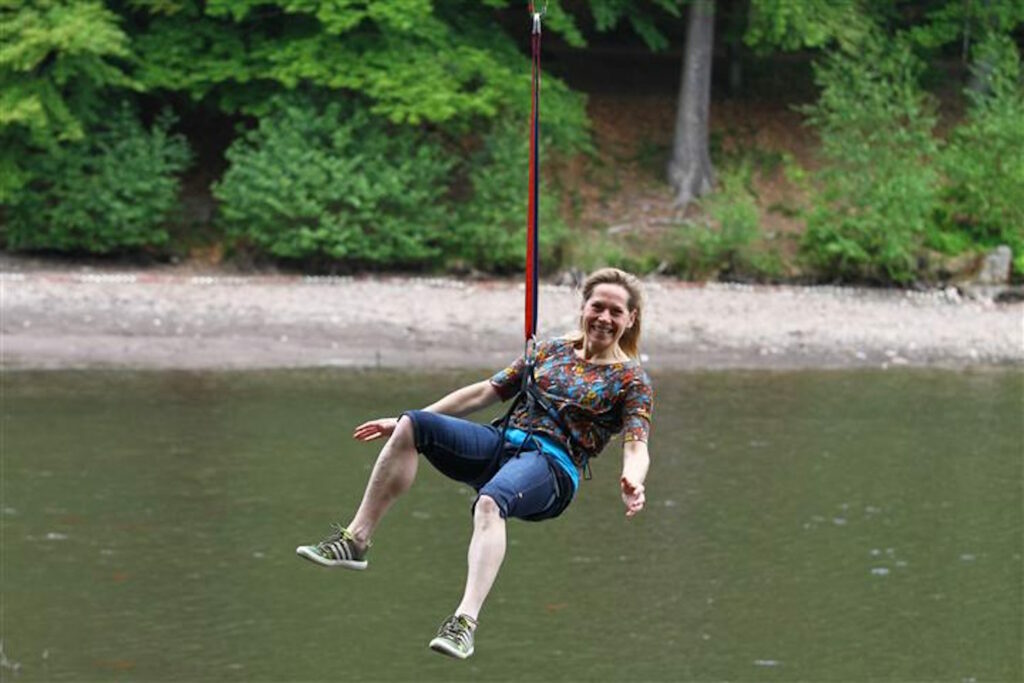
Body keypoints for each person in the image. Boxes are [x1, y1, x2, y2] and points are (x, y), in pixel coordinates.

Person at [296, 267, 654, 660]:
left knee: (490, 502)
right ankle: (356, 540)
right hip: (501, 444)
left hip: (551, 469)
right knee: (414, 424)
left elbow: (637, 444)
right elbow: (485, 392)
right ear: (583, 307)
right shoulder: (548, 352)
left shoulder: (631, 380)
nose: (604, 318)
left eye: (615, 312)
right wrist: (399, 420)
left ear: (630, 319)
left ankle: (464, 622)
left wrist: (632, 479)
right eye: (597, 307)